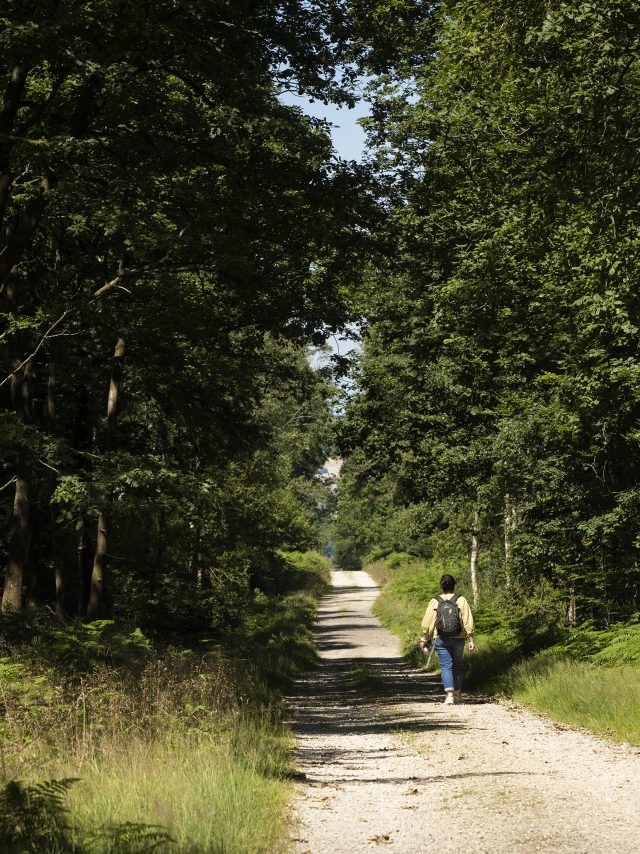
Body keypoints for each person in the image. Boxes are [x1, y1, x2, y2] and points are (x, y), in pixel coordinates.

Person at [420, 574, 475, 705]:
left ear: (442, 585)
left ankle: (449, 695)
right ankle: (456, 695)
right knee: (457, 665)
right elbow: (468, 620)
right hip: (459, 638)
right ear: (454, 585)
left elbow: (428, 623)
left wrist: (424, 638)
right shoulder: (461, 600)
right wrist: (471, 639)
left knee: (446, 666)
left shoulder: (435, 601)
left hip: (441, 638)